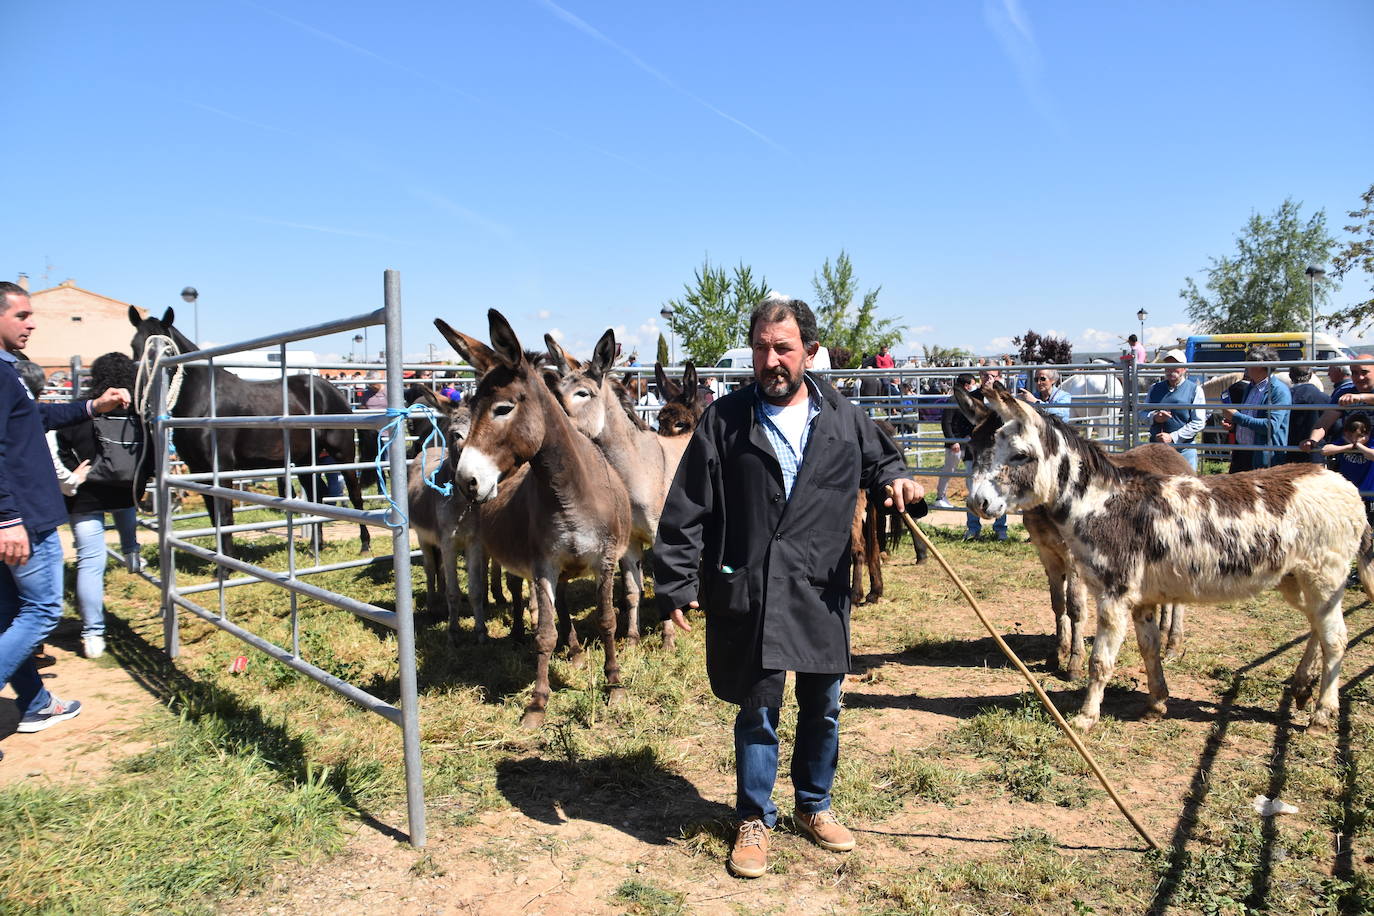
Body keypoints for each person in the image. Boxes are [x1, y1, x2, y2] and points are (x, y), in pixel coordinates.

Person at [654, 293, 921, 879]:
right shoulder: (724, 421)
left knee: (823, 705)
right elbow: (687, 507)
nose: (771, 360)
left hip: (819, 585)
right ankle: (754, 816)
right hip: (750, 584)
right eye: (762, 349)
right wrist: (675, 583)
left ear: (811, 352)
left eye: (784, 348)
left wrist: (900, 482)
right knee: (758, 707)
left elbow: (885, 463)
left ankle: (814, 805)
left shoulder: (845, 418)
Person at [1, 281, 130, 744]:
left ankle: (35, 704)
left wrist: (94, 405)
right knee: (41, 611)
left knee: (8, 611)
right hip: (21, 515)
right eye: (21, 316)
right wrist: (7, 518)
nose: (32, 323)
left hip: (20, 510)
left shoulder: (8, 372)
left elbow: (34, 419)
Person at [56, 353, 145, 659]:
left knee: (90, 564)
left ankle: (93, 635)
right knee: (125, 510)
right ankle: (132, 550)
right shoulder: (136, 411)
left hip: (85, 493)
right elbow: (151, 451)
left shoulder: (82, 410)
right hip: (125, 490)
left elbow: (61, 448)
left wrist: (74, 476)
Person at [1221, 346, 1291, 472]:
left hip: (1262, 458)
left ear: (1259, 365)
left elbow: (1270, 426)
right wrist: (1234, 426)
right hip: (1242, 454)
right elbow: (1248, 418)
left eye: (1249, 362)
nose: (1246, 366)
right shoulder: (1251, 387)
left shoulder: (1278, 391)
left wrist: (1237, 417)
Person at [1139, 349, 1206, 471]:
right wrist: (1154, 417)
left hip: (1183, 451)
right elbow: (1141, 414)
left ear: (1184, 368)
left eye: (1175, 366)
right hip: (1156, 452)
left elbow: (1198, 422)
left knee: (1187, 487)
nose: (1171, 370)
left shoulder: (1195, 390)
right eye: (1168, 366)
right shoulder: (1154, 388)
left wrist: (1173, 437)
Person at [965, 370, 1008, 540]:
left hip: (998, 455)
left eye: (992, 375)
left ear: (998, 377)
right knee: (973, 489)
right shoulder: (972, 397)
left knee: (999, 490)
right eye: (984, 375)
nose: (988, 378)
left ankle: (1000, 528)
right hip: (976, 454)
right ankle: (973, 528)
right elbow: (960, 420)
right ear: (979, 377)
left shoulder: (1003, 398)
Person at [1302, 357, 1374, 455]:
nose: (1359, 377)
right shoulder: (1344, 392)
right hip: (1350, 456)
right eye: (1354, 373)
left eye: (1364, 372)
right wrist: (1312, 440)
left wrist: (1361, 397)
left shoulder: (1350, 394)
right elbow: (1324, 422)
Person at [934, 373, 977, 509]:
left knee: (971, 470)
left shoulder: (970, 400)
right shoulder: (953, 400)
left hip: (968, 443)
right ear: (966, 385)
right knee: (949, 469)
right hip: (955, 444)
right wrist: (953, 441)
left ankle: (973, 498)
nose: (974, 386)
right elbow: (946, 423)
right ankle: (940, 497)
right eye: (973, 383)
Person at [1321, 412, 1374, 520]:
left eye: (1360, 436)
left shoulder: (1370, 444)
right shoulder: (1343, 443)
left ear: (1367, 434)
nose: (1354, 439)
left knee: (1367, 523)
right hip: (1347, 492)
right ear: (1345, 433)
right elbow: (1325, 450)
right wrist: (1349, 446)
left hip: (1367, 493)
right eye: (1350, 435)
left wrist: (1359, 446)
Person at [1285, 365, 1328, 464]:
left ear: (1290, 376)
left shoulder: (1284, 398)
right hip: (1316, 451)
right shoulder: (1323, 398)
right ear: (1310, 375)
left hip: (1290, 451)